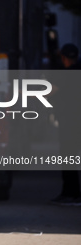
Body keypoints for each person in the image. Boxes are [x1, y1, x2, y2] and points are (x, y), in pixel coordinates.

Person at [49, 43, 81, 206]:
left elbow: (50, 91)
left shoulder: (66, 74)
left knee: (68, 156)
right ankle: (72, 192)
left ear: (63, 58)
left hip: (70, 122)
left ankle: (71, 193)